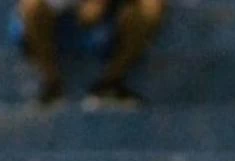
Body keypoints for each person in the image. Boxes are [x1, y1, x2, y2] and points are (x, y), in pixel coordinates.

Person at [15, 0, 166, 106]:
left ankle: (109, 84)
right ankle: (52, 85)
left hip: (113, 11)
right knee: (31, 5)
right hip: (65, 11)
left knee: (151, 6)